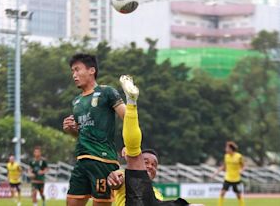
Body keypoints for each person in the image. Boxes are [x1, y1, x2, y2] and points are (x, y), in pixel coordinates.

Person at [119, 75, 203, 206]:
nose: (150, 167)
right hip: (134, 191)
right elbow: (114, 180)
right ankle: (131, 101)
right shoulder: (122, 176)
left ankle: (131, 101)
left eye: (154, 165)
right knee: (134, 154)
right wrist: (113, 178)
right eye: (146, 162)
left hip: (150, 200)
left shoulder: (157, 193)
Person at [63, 53, 126, 206]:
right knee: (71, 203)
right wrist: (71, 129)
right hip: (82, 159)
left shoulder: (107, 92)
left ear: (91, 70)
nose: (74, 75)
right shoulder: (76, 101)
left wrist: (130, 145)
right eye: (72, 71)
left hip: (103, 160)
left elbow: (128, 118)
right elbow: (81, 133)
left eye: (77, 70)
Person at [212, 141, 245, 206]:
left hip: (236, 179)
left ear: (231, 149)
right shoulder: (226, 156)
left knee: (239, 195)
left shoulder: (239, 156)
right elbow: (224, 166)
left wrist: (241, 170)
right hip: (228, 178)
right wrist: (216, 173)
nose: (225, 149)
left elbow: (243, 166)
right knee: (222, 193)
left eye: (227, 148)